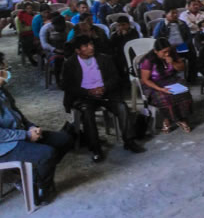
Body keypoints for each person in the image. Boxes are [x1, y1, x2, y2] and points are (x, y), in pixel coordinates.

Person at [0, 52, 72, 205]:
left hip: (18, 135)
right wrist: (26, 135)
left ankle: (36, 179)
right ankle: (43, 190)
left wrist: (32, 127)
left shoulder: (2, 90)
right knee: (47, 154)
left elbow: (17, 114)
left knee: (64, 139)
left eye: (5, 69)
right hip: (4, 146)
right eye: (2, 70)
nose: (6, 74)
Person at [62, 36, 144, 162]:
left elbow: (115, 78)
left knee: (121, 106)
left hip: (106, 93)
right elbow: (67, 86)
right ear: (78, 50)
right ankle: (95, 149)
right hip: (84, 96)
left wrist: (104, 88)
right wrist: (88, 92)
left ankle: (129, 141)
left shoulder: (104, 58)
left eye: (91, 44)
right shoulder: (70, 64)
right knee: (87, 113)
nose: (91, 47)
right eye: (86, 46)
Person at [139, 38, 193, 133]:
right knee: (164, 97)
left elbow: (182, 68)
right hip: (154, 83)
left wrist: (173, 62)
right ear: (156, 51)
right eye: (164, 52)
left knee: (184, 93)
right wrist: (160, 89)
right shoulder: (148, 60)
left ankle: (181, 118)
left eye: (168, 51)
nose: (167, 54)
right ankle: (167, 119)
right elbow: (145, 80)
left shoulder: (172, 54)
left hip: (171, 79)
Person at [153, 8, 196, 82]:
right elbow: (157, 38)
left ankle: (191, 78)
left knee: (192, 53)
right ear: (166, 14)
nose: (175, 15)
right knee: (169, 54)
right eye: (173, 13)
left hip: (182, 46)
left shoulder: (182, 23)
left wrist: (184, 45)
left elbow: (189, 37)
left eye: (176, 13)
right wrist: (169, 47)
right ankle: (173, 76)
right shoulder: (161, 25)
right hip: (168, 48)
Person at [40, 14, 69, 85]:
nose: (61, 28)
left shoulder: (69, 26)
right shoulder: (45, 29)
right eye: (58, 27)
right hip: (51, 50)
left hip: (66, 47)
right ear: (53, 25)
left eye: (63, 26)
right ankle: (58, 80)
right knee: (58, 59)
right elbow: (44, 44)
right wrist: (55, 50)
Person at [15, 2, 38, 66]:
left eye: (31, 8)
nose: (29, 10)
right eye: (27, 8)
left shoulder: (35, 16)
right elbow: (20, 30)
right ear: (24, 9)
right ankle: (31, 58)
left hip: (34, 33)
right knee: (28, 42)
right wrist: (32, 27)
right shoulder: (19, 17)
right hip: (24, 35)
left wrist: (32, 28)